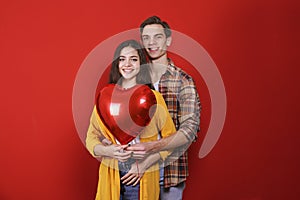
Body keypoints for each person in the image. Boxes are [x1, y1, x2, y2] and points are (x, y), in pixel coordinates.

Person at [85, 39, 176, 200]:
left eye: (133, 59)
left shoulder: (154, 98)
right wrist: (107, 150)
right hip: (111, 172)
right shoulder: (106, 97)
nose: (127, 64)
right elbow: (91, 138)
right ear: (117, 63)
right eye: (122, 59)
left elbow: (172, 140)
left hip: (142, 175)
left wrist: (145, 164)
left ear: (141, 64)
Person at [126, 16, 201, 200]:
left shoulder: (183, 80)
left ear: (168, 40)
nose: (152, 42)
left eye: (158, 37)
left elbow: (190, 130)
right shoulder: (133, 77)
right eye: (146, 38)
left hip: (170, 172)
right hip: (136, 169)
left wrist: (153, 147)